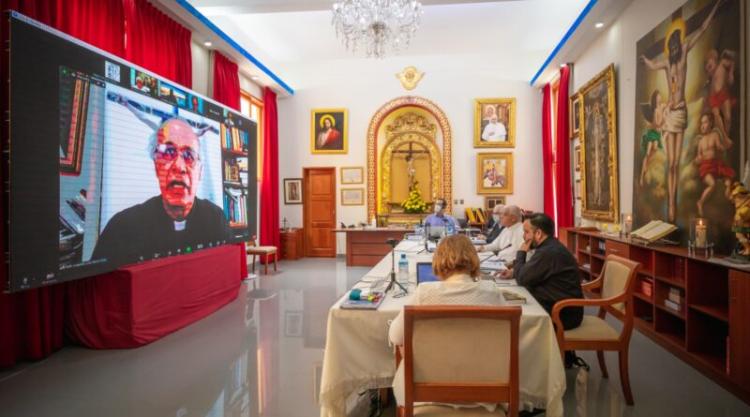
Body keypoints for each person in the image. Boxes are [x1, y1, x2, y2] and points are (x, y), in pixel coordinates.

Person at [92, 117, 232, 263]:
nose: (179, 166)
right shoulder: (122, 228)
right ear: (156, 166)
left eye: (189, 155)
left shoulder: (216, 219)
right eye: (168, 152)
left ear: (200, 171)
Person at [389, 235, 502, 411]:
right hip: (484, 390)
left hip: (427, 392)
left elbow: (395, 336)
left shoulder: (424, 292)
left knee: (404, 342)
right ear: (474, 259)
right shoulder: (492, 292)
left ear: (438, 260)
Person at [640, 0, 721, 221]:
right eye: (672, 44)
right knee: (670, 163)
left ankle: (673, 201)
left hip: (681, 111)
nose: (675, 46)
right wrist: (646, 60)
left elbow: (702, 29)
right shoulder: (667, 62)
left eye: (676, 42)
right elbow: (654, 65)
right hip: (671, 114)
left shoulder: (684, 54)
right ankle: (671, 205)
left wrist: (714, 9)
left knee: (675, 162)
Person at [498, 213, 583, 367]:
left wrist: (522, 251)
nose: (524, 237)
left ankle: (521, 365)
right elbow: (531, 272)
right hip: (555, 302)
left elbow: (523, 278)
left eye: (526, 232)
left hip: (563, 313)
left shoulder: (549, 252)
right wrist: (514, 271)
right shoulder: (549, 247)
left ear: (538, 233)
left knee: (509, 316)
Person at [694, 113, 734, 216]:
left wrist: (723, 147)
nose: (703, 125)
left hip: (716, 164)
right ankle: (700, 202)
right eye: (701, 123)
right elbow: (698, 157)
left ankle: (728, 194)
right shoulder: (701, 141)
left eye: (705, 122)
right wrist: (697, 159)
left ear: (710, 123)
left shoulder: (714, 135)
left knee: (728, 180)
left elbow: (719, 146)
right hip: (706, 167)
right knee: (712, 184)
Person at [704, 48, 736, 138]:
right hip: (714, 96)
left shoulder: (722, 63)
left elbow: (732, 63)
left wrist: (730, 74)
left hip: (723, 94)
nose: (709, 65)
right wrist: (709, 73)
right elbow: (708, 77)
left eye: (711, 62)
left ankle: (726, 135)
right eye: (708, 63)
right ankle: (723, 137)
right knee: (717, 117)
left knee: (728, 118)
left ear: (715, 59)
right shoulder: (711, 70)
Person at [639, 90, 667, 187]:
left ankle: (647, 165)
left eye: (660, 96)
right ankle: (642, 176)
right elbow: (656, 124)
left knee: (654, 149)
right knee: (648, 152)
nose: (659, 98)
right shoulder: (655, 110)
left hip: (657, 134)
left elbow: (669, 105)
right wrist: (663, 121)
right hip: (652, 133)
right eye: (657, 97)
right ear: (655, 99)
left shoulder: (663, 106)